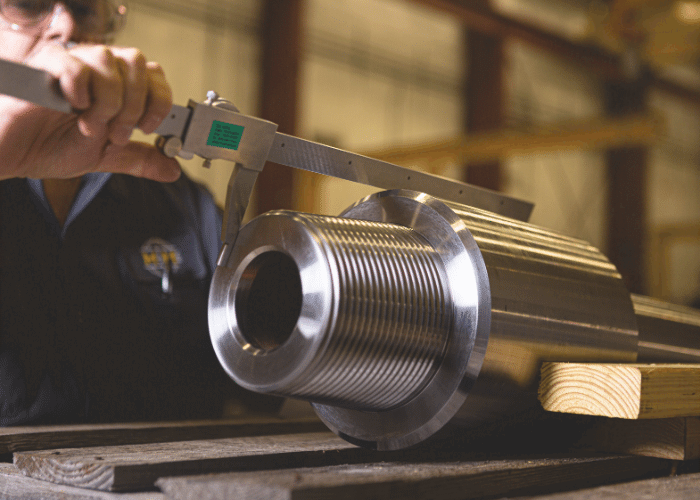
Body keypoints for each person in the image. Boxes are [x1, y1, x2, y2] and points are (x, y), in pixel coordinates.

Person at [0, 0, 269, 424]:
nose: (67, 24)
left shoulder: (183, 205)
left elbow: (270, 367)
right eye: (27, 4)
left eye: (87, 8)